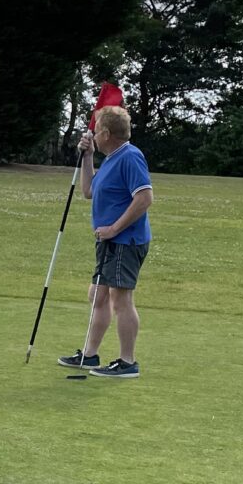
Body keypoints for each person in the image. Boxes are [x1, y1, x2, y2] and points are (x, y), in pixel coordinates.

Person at [58, 105, 152, 378]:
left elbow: (145, 199)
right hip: (108, 240)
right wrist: (87, 156)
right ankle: (89, 355)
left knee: (120, 299)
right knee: (97, 294)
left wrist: (114, 228)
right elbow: (88, 191)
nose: (94, 135)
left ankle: (127, 362)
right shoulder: (111, 158)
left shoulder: (130, 157)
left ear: (108, 133)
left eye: (97, 131)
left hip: (125, 240)